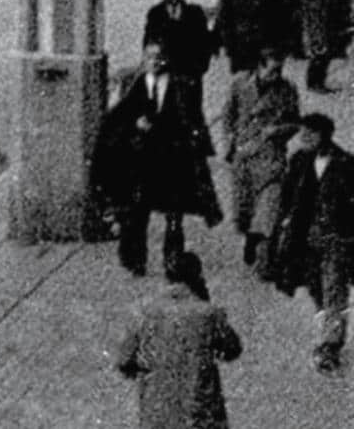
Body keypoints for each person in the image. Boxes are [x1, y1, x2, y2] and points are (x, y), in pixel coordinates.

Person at [94, 41, 221, 277]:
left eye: (159, 57)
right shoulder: (136, 85)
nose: (154, 62)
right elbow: (118, 119)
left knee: (175, 215)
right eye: (150, 57)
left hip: (171, 159)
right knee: (137, 212)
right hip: (143, 161)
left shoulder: (181, 87)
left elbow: (192, 120)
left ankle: (172, 260)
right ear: (144, 60)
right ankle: (135, 259)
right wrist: (134, 125)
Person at [116, 251, 242, 429]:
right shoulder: (209, 312)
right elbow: (233, 349)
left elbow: (124, 359)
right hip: (200, 410)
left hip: (158, 409)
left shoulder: (145, 312)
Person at [272, 113, 354, 374]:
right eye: (302, 133)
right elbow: (286, 198)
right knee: (316, 289)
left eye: (310, 133)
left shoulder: (346, 164)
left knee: (334, 291)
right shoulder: (299, 160)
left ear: (324, 135)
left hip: (336, 240)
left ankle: (330, 345)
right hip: (304, 239)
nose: (303, 137)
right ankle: (328, 330)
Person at [221, 47, 300, 279]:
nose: (277, 75)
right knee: (244, 212)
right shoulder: (239, 84)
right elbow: (228, 115)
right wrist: (229, 141)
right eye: (273, 70)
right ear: (260, 66)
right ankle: (250, 239)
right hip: (244, 159)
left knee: (268, 211)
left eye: (280, 70)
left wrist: (278, 130)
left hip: (271, 159)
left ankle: (265, 258)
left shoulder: (287, 90)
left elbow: (296, 122)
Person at [142, 0, 213, 112]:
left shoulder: (194, 13)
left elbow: (205, 43)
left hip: (190, 74)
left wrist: (200, 68)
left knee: (191, 112)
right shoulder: (155, 14)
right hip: (165, 73)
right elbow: (148, 43)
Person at [214, 0, 290, 74]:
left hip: (267, 44)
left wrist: (283, 46)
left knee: (268, 83)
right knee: (243, 84)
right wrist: (220, 42)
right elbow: (223, 17)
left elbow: (285, 18)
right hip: (240, 44)